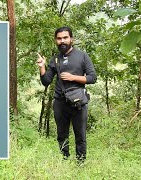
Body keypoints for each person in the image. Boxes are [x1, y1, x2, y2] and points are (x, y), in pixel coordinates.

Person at [36, 26, 97, 162]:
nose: (62, 41)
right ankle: (65, 160)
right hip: (60, 102)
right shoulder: (55, 59)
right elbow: (46, 81)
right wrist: (42, 67)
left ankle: (80, 163)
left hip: (78, 102)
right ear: (55, 41)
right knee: (61, 135)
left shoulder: (82, 56)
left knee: (80, 135)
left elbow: (93, 77)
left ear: (71, 39)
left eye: (65, 38)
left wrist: (73, 77)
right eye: (59, 38)